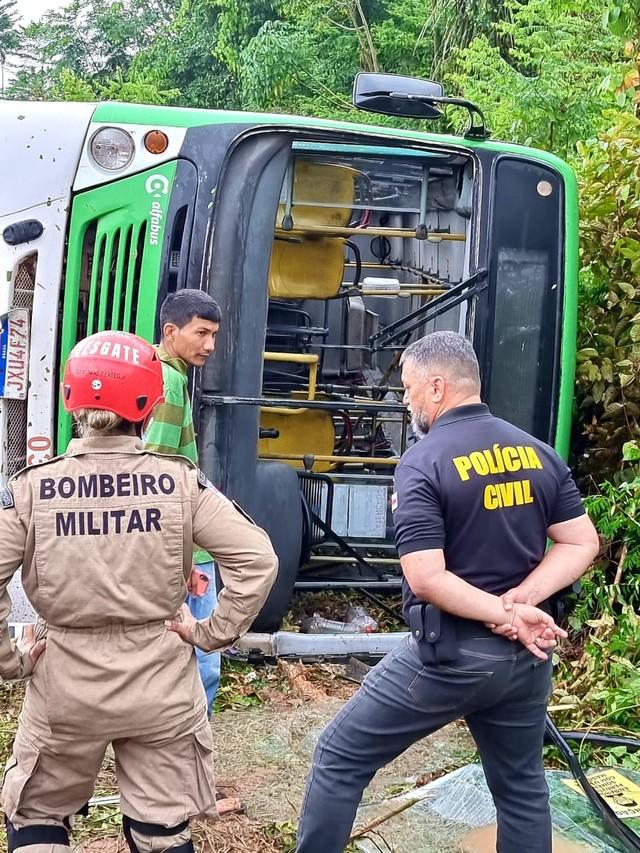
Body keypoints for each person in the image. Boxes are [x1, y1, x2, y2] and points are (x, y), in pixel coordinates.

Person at [295, 331, 599, 853]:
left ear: (437, 387)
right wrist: (521, 605)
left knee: (339, 756)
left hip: (451, 656)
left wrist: (502, 611)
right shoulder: (538, 453)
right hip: (526, 660)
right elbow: (581, 541)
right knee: (522, 785)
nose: (408, 401)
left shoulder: (424, 461)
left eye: (411, 388)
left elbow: (426, 577)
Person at [0, 330, 278, 853]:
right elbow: (257, 559)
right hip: (162, 686)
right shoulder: (179, 481)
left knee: (37, 818)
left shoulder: (31, 487)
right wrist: (210, 633)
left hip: (64, 686)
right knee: (162, 831)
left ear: (69, 401)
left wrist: (10, 660)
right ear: (150, 406)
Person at [144, 289, 222, 717]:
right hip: (187, 548)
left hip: (177, 546)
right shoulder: (171, 382)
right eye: (202, 333)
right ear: (171, 332)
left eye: (214, 335)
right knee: (203, 656)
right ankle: (192, 755)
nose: (209, 345)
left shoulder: (153, 371)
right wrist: (184, 555)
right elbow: (158, 474)